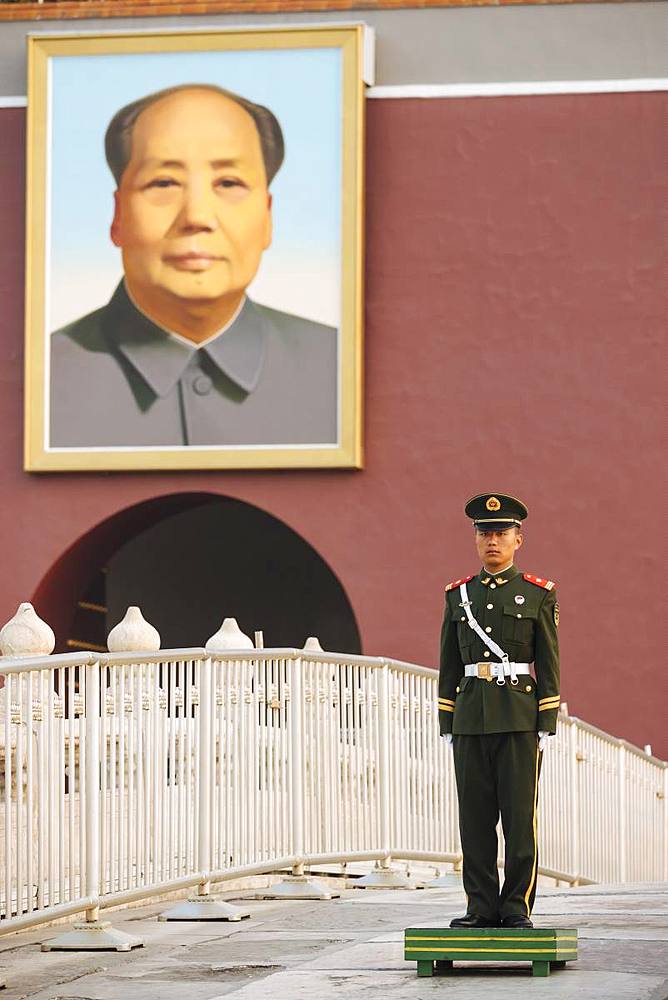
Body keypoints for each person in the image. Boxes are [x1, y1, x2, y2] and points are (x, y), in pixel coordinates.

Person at [49, 84, 337, 448]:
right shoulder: (35, 380)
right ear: (118, 215)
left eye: (229, 182)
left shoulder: (343, 370)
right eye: (164, 182)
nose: (197, 216)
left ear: (267, 217)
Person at [438, 493, 560, 929]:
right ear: (476, 540)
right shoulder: (459, 596)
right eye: (485, 533)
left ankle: (515, 907)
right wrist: (447, 719)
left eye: (501, 534)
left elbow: (548, 661)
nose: (493, 541)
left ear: (518, 539)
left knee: (518, 818)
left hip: (518, 716)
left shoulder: (537, 594)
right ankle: (480, 906)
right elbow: (449, 663)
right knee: (474, 818)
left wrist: (546, 719)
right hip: (471, 717)